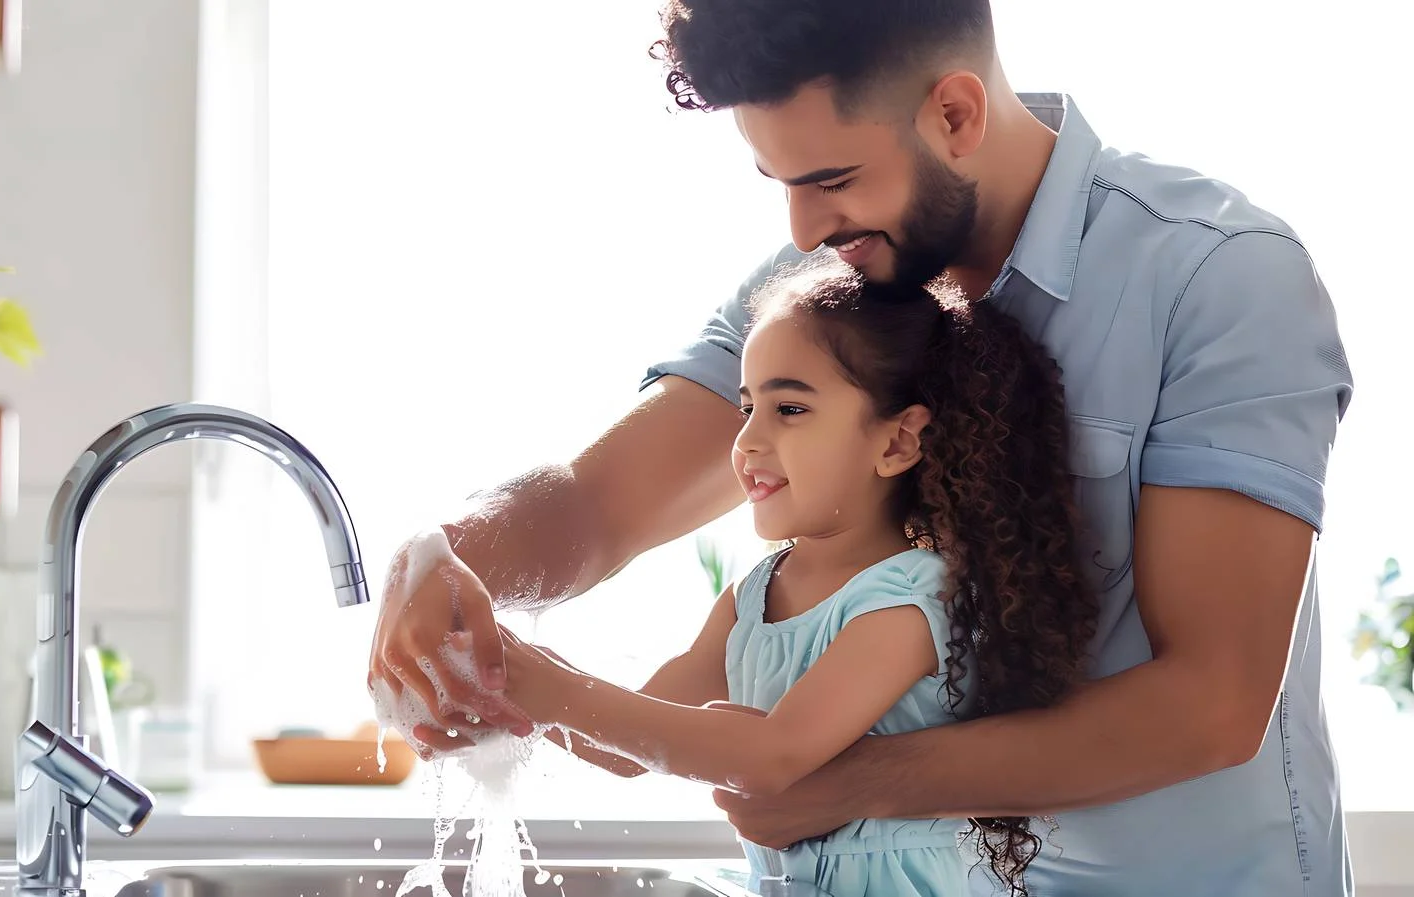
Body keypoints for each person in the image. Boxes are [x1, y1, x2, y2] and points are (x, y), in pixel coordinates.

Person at [369, 1, 1355, 894]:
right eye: (780, 182)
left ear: (956, 115)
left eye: (831, 178)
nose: (803, 225)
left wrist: (848, 783)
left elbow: (1211, 704)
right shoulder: (830, 285)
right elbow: (597, 503)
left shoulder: (1218, 279)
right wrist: (444, 558)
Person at [493, 256, 1098, 897]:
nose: (747, 441)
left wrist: (552, 687)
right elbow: (625, 746)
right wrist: (502, 697)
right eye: (748, 407)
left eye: (789, 409)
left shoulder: (909, 602)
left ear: (896, 443)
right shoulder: (751, 599)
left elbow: (769, 757)